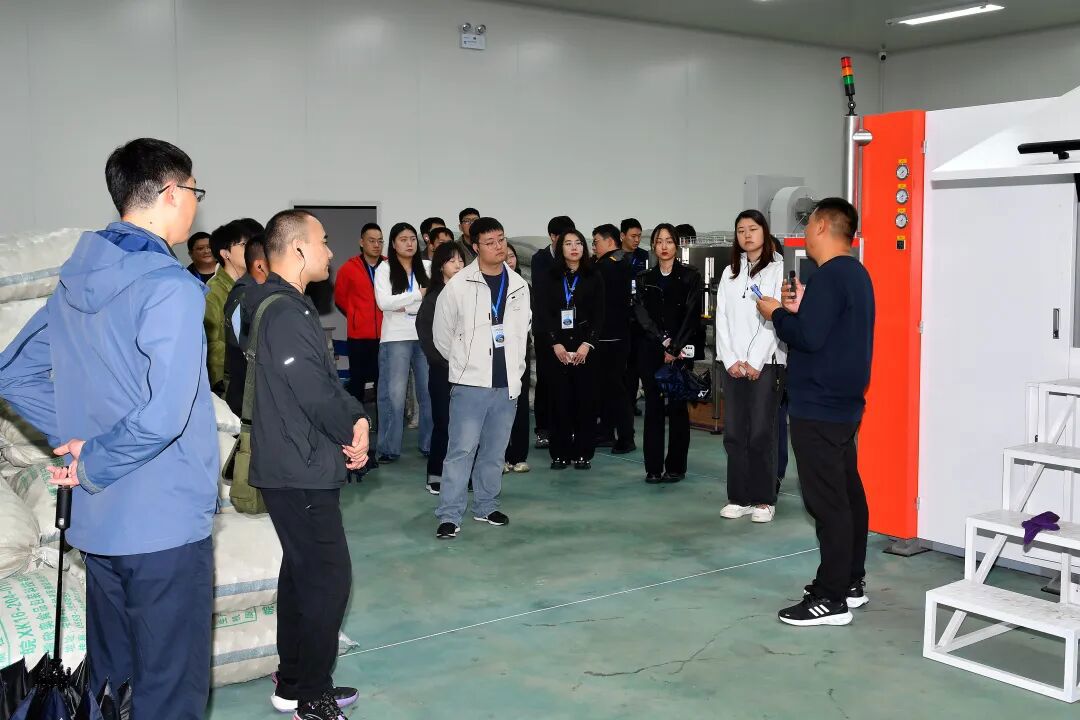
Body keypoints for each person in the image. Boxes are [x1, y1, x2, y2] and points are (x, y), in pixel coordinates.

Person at [0, 138, 216, 718]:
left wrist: (82, 438)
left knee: (113, 688)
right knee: (169, 692)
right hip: (164, 525)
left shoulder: (75, 281)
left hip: (99, 524)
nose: (196, 203)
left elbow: (13, 373)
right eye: (194, 191)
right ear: (171, 193)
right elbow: (165, 415)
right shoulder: (170, 287)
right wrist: (94, 455)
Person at [245, 210, 368, 718]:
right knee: (328, 578)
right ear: (297, 249)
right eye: (322, 241)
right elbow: (315, 392)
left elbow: (319, 385)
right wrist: (353, 427)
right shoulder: (285, 313)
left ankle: (294, 682)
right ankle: (313, 697)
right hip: (299, 466)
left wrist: (353, 416)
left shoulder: (280, 306)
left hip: (292, 461)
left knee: (300, 573)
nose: (330, 251)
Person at [755, 197, 875, 628]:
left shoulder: (828, 276)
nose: (804, 233)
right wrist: (800, 310)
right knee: (847, 495)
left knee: (828, 503)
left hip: (819, 406)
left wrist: (775, 313)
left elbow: (807, 337)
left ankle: (830, 597)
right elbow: (827, 330)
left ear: (823, 225)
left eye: (808, 225)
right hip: (843, 405)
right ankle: (850, 582)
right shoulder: (856, 274)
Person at [432, 217, 530, 539]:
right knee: (461, 450)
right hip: (470, 384)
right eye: (490, 242)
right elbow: (441, 336)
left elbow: (523, 331)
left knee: (495, 451)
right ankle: (449, 514)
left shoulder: (519, 285)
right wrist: (465, 364)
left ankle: (486, 505)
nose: (498, 246)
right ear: (475, 247)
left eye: (501, 239)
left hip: (506, 384)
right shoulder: (459, 285)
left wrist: (515, 371)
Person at [716, 210, 786, 524]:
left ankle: (763, 499)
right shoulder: (729, 272)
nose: (747, 235)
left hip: (767, 363)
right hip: (733, 365)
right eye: (741, 230)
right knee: (734, 433)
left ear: (764, 233)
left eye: (753, 229)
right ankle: (739, 497)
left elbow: (775, 319)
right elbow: (721, 317)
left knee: (761, 432)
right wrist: (731, 359)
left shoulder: (778, 269)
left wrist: (755, 360)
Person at [633, 223, 704, 483]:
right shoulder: (644, 278)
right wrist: (662, 341)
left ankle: (675, 467)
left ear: (677, 245)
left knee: (677, 408)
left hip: (681, 350)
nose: (664, 246)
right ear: (653, 245)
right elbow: (640, 313)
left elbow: (692, 315)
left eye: (669, 241)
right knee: (653, 407)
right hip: (651, 349)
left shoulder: (690, 276)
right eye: (659, 241)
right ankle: (653, 468)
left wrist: (674, 347)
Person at [537, 229, 605, 470]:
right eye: (568, 243)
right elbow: (543, 312)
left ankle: (583, 453)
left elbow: (599, 314)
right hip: (558, 348)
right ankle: (560, 453)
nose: (574, 247)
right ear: (560, 248)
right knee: (559, 402)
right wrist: (555, 343)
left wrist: (587, 344)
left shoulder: (594, 275)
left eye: (578, 243)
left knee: (585, 402)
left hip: (586, 348)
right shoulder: (549, 277)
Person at [374, 222, 433, 462]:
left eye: (412, 239)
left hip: (425, 335)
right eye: (403, 239)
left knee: (428, 393)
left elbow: (434, 298)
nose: (409, 243)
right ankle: (388, 448)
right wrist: (418, 295)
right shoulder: (384, 268)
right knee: (393, 395)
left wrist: (403, 303)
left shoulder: (427, 267)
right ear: (393, 244)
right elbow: (384, 303)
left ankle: (430, 444)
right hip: (395, 337)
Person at [416, 241, 468, 495]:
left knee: (466, 426)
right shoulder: (434, 297)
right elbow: (426, 334)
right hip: (442, 370)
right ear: (440, 266)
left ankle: (465, 475)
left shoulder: (470, 295)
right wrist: (445, 361)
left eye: (461, 260)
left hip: (469, 371)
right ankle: (435, 473)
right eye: (451, 260)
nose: (458, 265)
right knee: (444, 423)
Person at [333, 222, 385, 454]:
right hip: (359, 336)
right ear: (361, 242)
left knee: (383, 384)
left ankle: (383, 427)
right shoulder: (348, 268)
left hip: (385, 336)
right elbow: (340, 298)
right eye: (371, 240)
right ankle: (354, 426)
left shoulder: (389, 266)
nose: (376, 245)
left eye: (380, 241)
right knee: (357, 383)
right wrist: (356, 315)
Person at [530, 215, 576, 450]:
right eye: (564, 239)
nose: (570, 244)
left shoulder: (577, 259)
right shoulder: (540, 259)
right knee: (546, 380)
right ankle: (544, 429)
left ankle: (568, 427)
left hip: (571, 330)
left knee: (571, 381)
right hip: (546, 330)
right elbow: (542, 295)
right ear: (553, 237)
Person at [591, 224, 636, 454]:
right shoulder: (622, 262)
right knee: (606, 387)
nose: (593, 247)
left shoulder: (606, 266)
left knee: (614, 388)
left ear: (609, 241)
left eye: (596, 242)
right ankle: (607, 431)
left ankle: (626, 436)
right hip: (617, 334)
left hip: (610, 336)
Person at [204, 219, 254, 393]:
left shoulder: (251, 286)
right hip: (229, 383)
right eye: (244, 244)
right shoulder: (213, 291)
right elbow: (211, 344)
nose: (251, 249)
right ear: (225, 253)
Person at [223, 236, 270, 416]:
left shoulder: (256, 294)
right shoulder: (246, 298)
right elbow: (255, 357)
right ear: (260, 266)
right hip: (249, 406)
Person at [502, 241, 532, 473]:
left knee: (520, 404)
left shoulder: (524, 285)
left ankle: (520, 456)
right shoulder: (489, 286)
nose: (509, 260)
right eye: (504, 257)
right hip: (496, 352)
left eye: (511, 256)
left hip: (519, 351)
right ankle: (500, 456)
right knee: (499, 407)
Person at [620, 218, 648, 416]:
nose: (637, 240)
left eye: (639, 236)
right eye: (633, 236)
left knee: (636, 366)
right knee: (621, 366)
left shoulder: (644, 256)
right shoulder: (615, 257)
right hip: (621, 318)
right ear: (622, 236)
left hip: (639, 318)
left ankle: (631, 402)